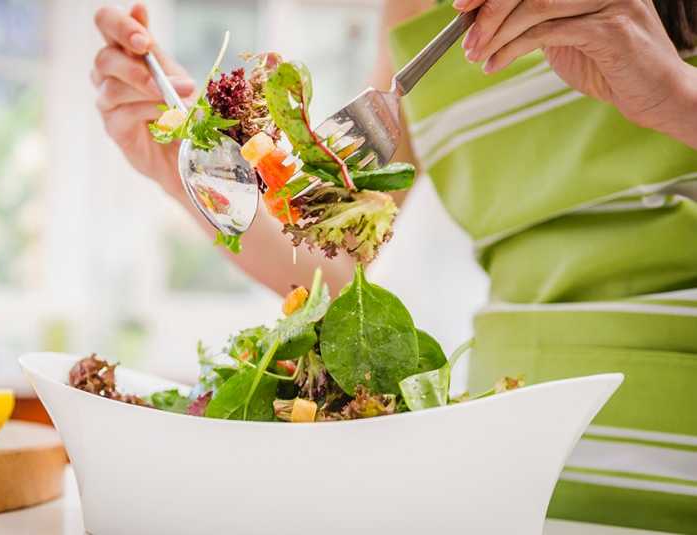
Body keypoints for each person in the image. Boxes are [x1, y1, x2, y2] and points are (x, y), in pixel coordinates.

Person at [91, 1, 697, 532]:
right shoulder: (414, 7)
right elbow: (326, 258)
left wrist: (675, 97)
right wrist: (186, 165)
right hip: (513, 461)